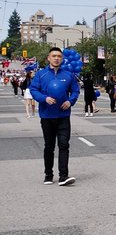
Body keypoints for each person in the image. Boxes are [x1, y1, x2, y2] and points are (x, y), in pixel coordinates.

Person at [29, 47, 80, 185]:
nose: (57, 58)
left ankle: (63, 176)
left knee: (64, 145)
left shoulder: (68, 75)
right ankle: (48, 175)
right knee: (49, 146)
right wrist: (44, 98)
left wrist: (70, 101)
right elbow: (33, 89)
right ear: (49, 58)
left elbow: (75, 91)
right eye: (54, 56)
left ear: (62, 59)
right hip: (47, 116)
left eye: (59, 56)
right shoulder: (41, 75)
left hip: (63, 116)